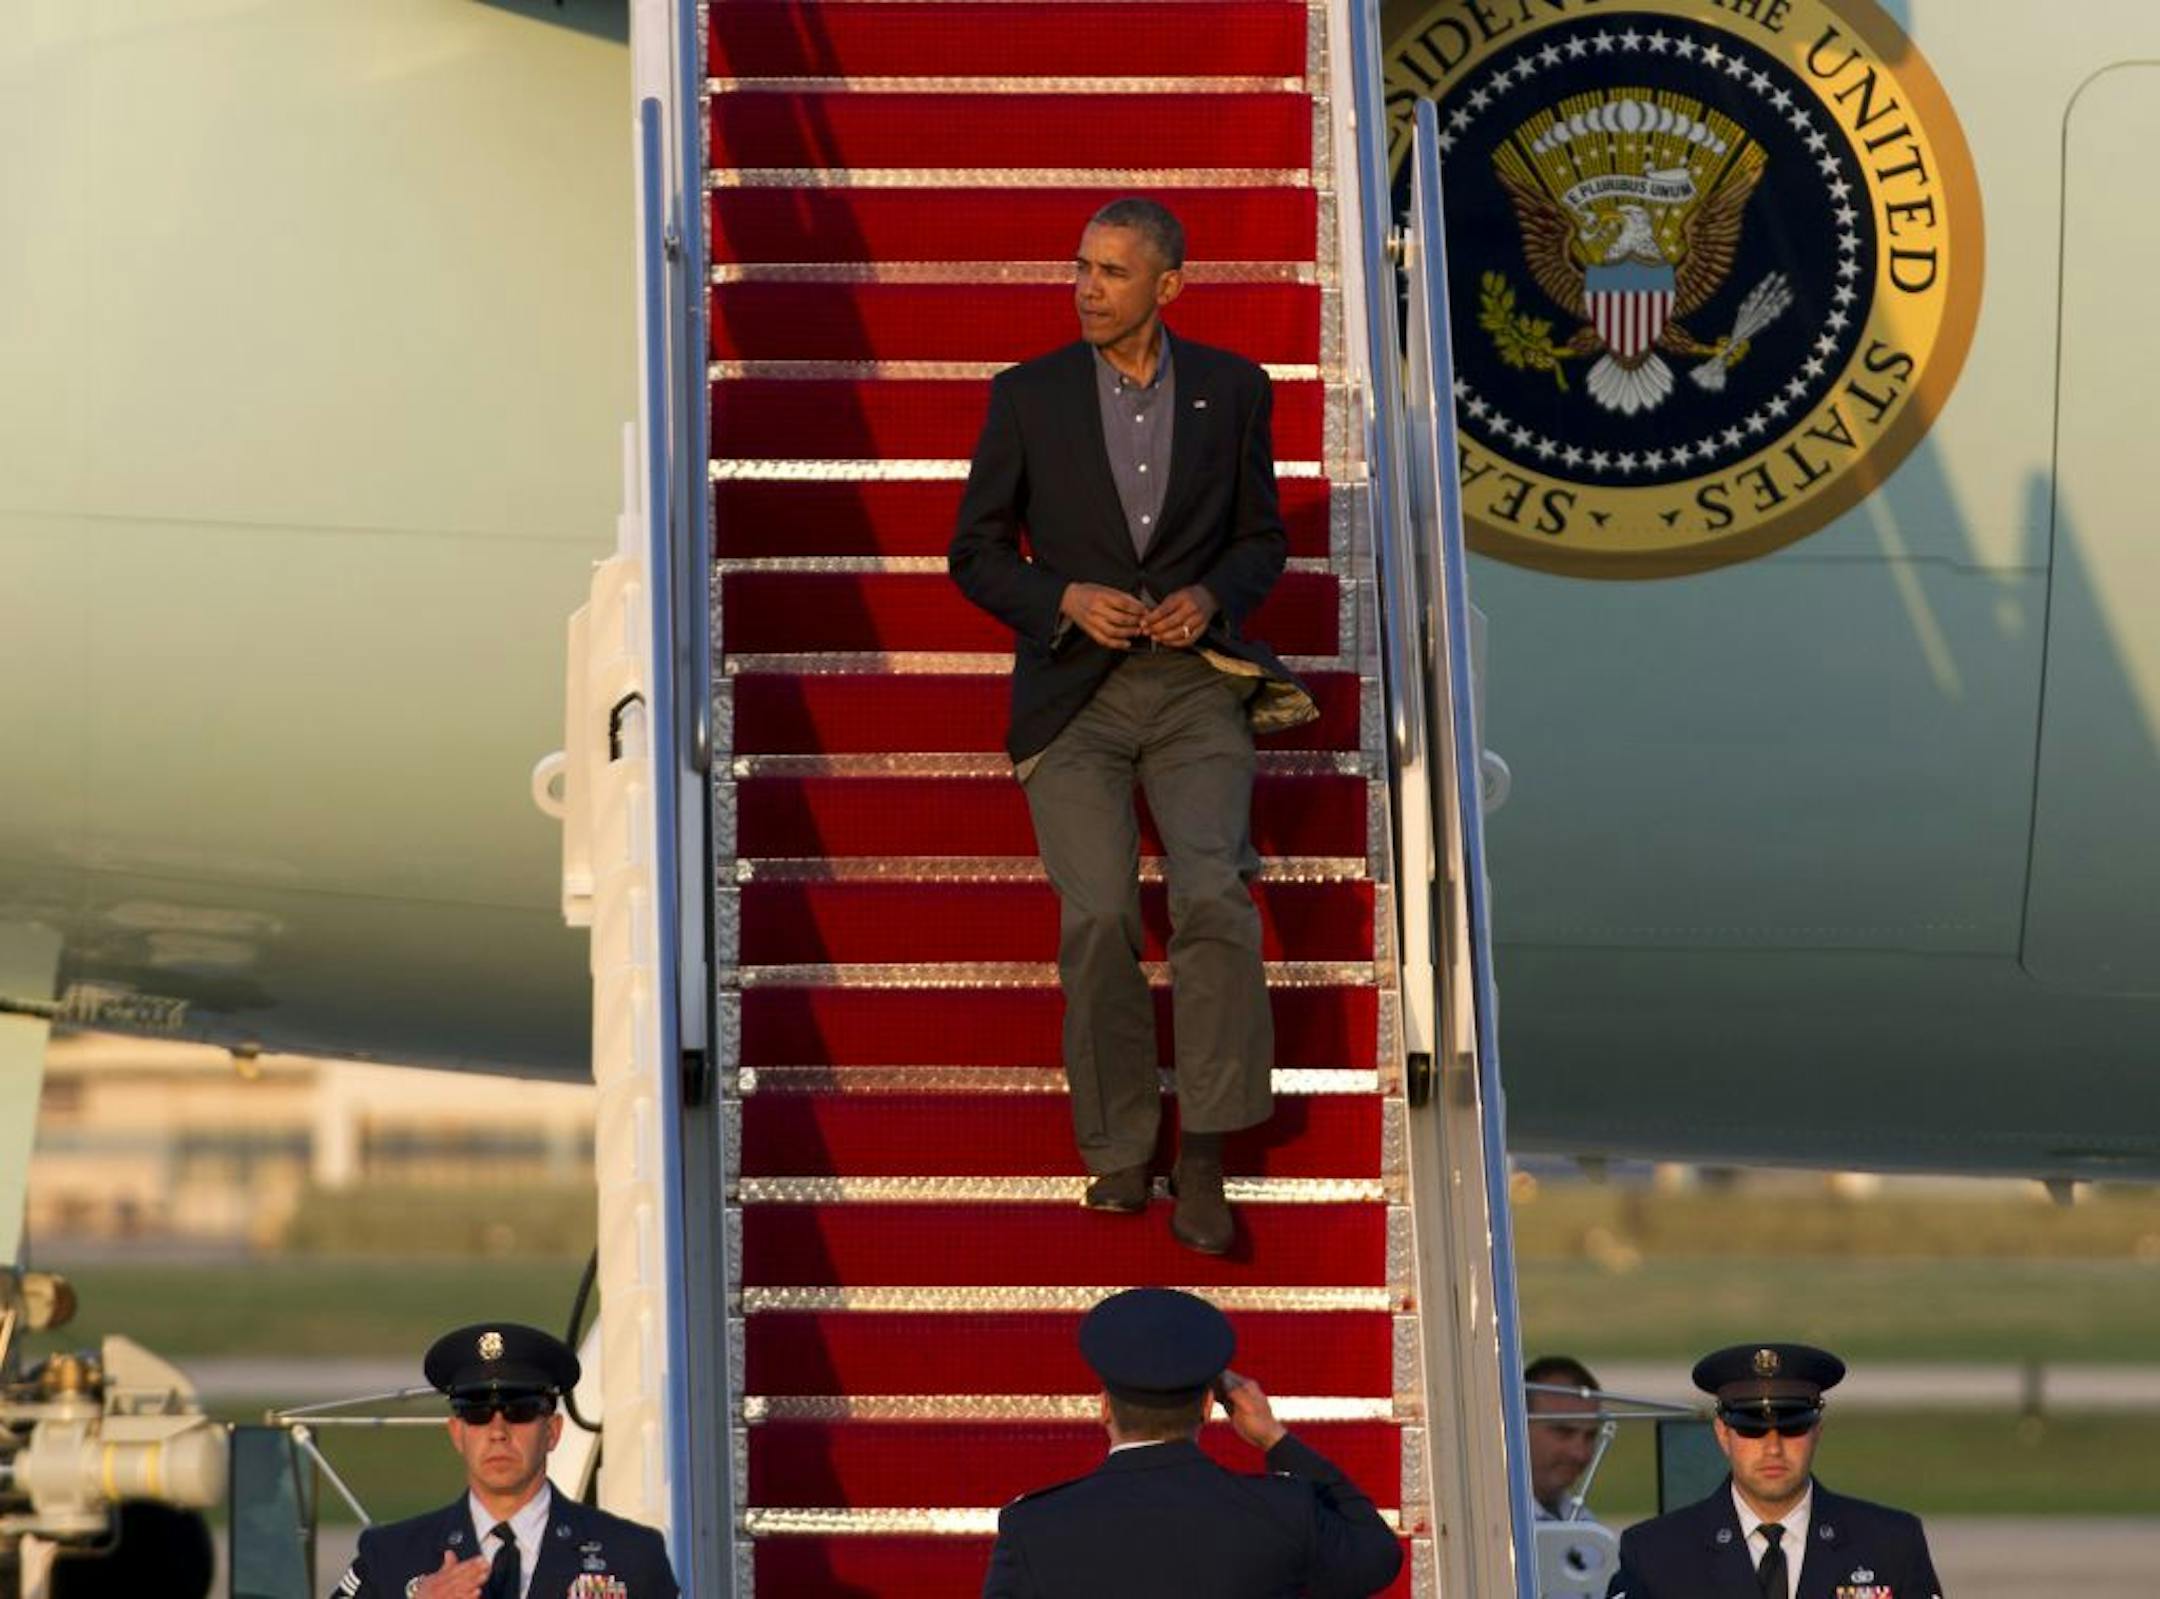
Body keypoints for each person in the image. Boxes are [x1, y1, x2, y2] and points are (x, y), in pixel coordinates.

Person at [948, 197, 1314, 1255]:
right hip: (1076, 695)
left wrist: (1210, 594)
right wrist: (1060, 598)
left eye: (1110, 272)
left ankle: (1203, 1158)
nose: (1086, 289)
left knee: (1213, 899)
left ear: (1169, 286)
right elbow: (973, 554)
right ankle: (1118, 1147)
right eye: (1081, 268)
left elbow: (1261, 541)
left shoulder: (1236, 391)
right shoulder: (1027, 396)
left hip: (1198, 685)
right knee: (1100, 917)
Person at [982, 1287, 1402, 1598]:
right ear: (1208, 1407)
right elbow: (1377, 1557)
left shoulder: (1034, 1529)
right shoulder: (1284, 1511)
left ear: (1104, 1407)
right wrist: (1275, 1438)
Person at [329, 1323, 677, 1599]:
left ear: (552, 1431)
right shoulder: (391, 1557)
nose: (498, 1431)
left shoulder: (631, 1557)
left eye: (519, 1411)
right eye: (478, 1413)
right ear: (456, 1433)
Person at [1606, 1343, 1943, 1599]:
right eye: (1752, 1429)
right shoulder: (1656, 1555)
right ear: (1723, 1433)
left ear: (1816, 1431)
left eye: (1792, 1427)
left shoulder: (1891, 1545)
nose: (1773, 1448)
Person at [1524, 1353, 1606, 1522]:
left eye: (1590, 1436)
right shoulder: (1486, 1525)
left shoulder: (1586, 1525)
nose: (1579, 1454)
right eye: (1563, 1432)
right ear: (1516, 1428)